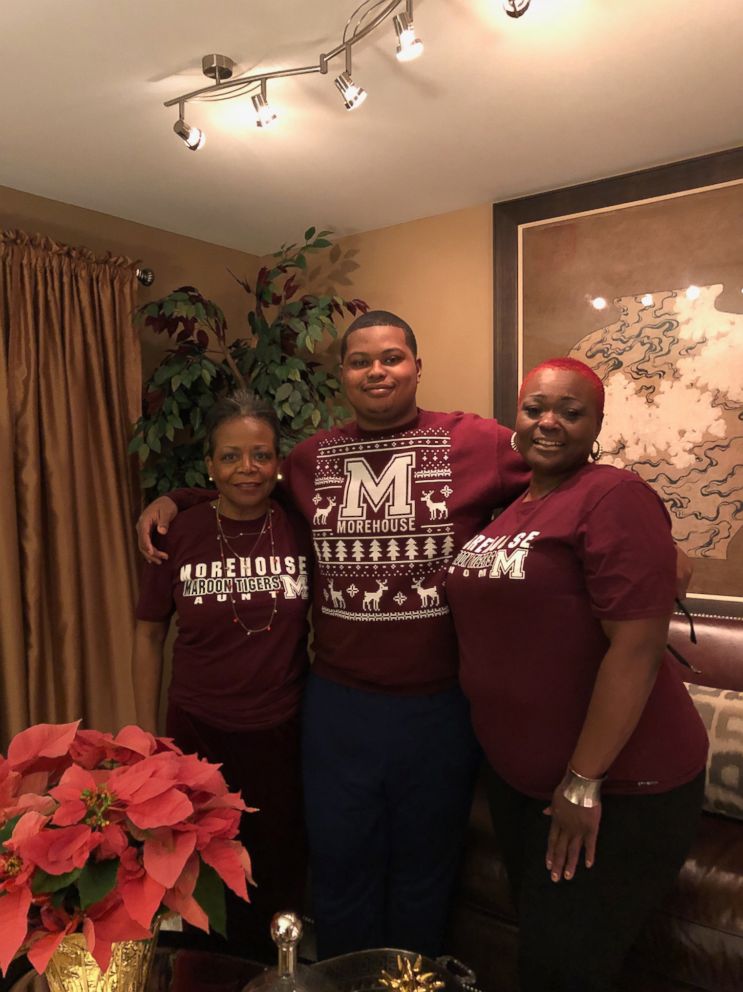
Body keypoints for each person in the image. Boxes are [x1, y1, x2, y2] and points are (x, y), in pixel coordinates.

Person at [136, 310, 530, 959]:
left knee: (425, 871)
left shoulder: (477, 442)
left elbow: (561, 465)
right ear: (342, 374)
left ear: (415, 366)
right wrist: (175, 500)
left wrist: (631, 521)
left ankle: (407, 982)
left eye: (392, 357)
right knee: (339, 868)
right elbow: (244, 487)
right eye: (360, 360)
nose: (377, 370)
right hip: (339, 707)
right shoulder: (310, 459)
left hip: (439, 710)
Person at [445, 357, 708, 992]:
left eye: (571, 411)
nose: (550, 422)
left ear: (597, 424)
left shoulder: (613, 494)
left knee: (564, 969)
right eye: (536, 408)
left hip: (616, 789)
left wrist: (583, 783)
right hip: (521, 784)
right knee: (541, 947)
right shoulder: (514, 504)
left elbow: (639, 649)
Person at [132, 390, 311, 961]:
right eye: (230, 457)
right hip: (196, 732)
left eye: (260, 455)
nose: (246, 469)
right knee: (200, 881)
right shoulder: (178, 533)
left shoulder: (300, 523)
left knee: (275, 875)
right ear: (210, 465)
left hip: (282, 730)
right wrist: (147, 742)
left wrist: (171, 494)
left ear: (278, 461)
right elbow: (149, 633)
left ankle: (275, 975)